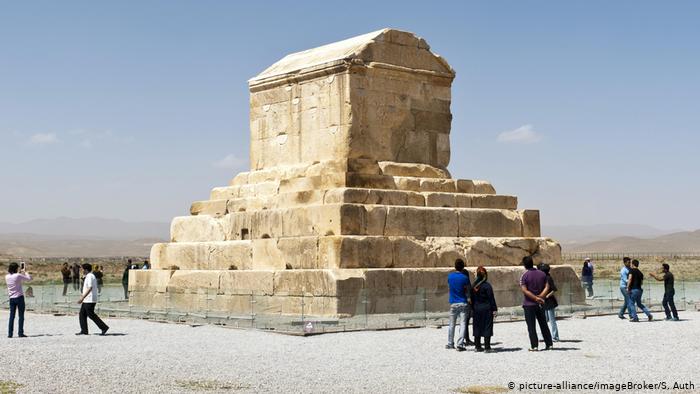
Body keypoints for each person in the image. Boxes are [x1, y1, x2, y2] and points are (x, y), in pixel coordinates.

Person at [519, 256, 553, 351]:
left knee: (531, 326)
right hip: (540, 303)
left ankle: (534, 346)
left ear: (524, 265)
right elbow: (547, 286)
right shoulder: (542, 274)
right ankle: (549, 344)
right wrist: (541, 297)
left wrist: (535, 298)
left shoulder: (524, 275)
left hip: (529, 304)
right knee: (543, 324)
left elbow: (524, 290)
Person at [76, 263, 109, 336]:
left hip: (90, 299)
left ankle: (104, 327)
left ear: (86, 269)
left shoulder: (90, 276)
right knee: (82, 314)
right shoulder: (88, 276)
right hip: (87, 299)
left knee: (91, 315)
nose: (82, 270)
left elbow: (90, 288)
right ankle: (84, 330)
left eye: (83, 269)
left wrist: (82, 297)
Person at [446, 259, 471, 351]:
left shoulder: (450, 277)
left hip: (453, 302)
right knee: (463, 324)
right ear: (463, 267)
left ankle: (450, 343)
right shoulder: (465, 278)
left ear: (455, 266)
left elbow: (450, 287)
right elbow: (468, 291)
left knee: (451, 324)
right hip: (463, 302)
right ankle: (460, 344)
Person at [471, 266, 497, 352]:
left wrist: (472, 309)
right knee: (487, 327)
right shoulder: (487, 286)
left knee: (477, 327)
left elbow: (471, 299)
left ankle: (477, 346)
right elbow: (491, 298)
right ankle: (487, 347)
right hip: (486, 309)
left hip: (476, 309)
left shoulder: (474, 286)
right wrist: (494, 309)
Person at [6, 262, 32, 338]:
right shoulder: (18, 275)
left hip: (11, 298)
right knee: (21, 316)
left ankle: (10, 334)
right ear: (15, 268)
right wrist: (25, 272)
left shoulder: (7, 276)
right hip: (19, 297)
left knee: (11, 316)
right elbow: (29, 279)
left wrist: (20, 274)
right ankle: (20, 333)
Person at [539, 263, 559, 342]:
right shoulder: (543, 278)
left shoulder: (548, 278)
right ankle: (546, 336)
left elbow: (554, 289)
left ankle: (555, 336)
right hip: (544, 302)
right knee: (544, 320)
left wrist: (547, 296)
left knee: (552, 320)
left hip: (549, 301)